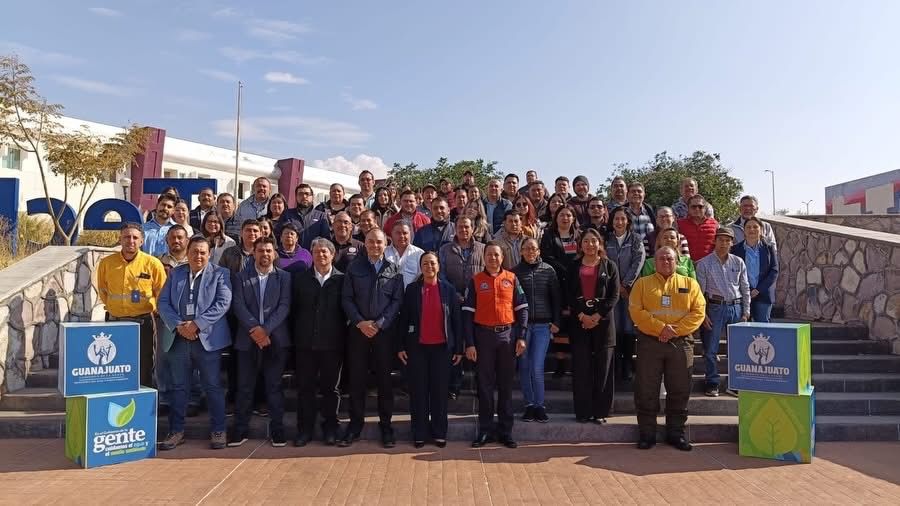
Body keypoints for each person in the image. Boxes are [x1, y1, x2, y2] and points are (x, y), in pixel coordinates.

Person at [157, 236, 233, 451]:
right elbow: (163, 302)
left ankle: (218, 430)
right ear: (187, 253)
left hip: (207, 340)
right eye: (194, 252)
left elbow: (223, 303)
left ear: (209, 254)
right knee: (179, 387)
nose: (198, 256)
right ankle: (176, 431)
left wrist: (197, 325)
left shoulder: (221, 274)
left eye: (202, 252)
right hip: (179, 340)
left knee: (213, 386)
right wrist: (178, 325)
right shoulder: (176, 274)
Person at [629, 246, 705, 451]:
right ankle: (647, 435)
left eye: (669, 258)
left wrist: (674, 331)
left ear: (677, 261)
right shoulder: (642, 284)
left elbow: (698, 312)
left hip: (680, 343)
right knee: (646, 389)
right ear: (654, 263)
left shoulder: (690, 284)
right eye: (661, 258)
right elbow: (636, 311)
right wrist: (660, 328)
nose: (665, 262)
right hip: (649, 343)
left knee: (680, 390)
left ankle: (676, 434)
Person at [340, 229, 405, 448]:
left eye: (379, 242)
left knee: (385, 382)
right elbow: (346, 298)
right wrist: (360, 322)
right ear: (365, 244)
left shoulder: (394, 270)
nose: (375, 246)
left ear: (385, 244)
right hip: (358, 332)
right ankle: (354, 426)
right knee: (357, 380)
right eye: (371, 242)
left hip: (383, 333)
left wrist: (380, 323)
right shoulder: (354, 267)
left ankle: (386, 426)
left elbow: (397, 301)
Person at [227, 237, 292, 448]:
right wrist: (255, 329)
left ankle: (277, 430)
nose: (265, 254)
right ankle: (240, 429)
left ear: (274, 253)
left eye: (268, 251)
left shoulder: (284, 277)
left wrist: (266, 330)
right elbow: (238, 305)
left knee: (274, 386)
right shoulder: (240, 277)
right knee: (245, 387)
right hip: (247, 339)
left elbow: (284, 306)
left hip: (275, 339)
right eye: (261, 251)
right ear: (253, 253)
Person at [463, 242, 529, 449]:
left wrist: (521, 336)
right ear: (484, 257)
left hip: (507, 337)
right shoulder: (475, 281)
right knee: (484, 386)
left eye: (496, 255)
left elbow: (522, 309)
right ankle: (485, 430)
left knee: (506, 386)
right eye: (489, 254)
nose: (493, 258)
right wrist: (470, 343)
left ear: (502, 257)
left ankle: (505, 432)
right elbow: (467, 315)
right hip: (483, 337)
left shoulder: (512, 278)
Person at [398, 252, 463, 448]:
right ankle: (419, 433)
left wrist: (458, 348)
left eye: (432, 263)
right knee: (418, 392)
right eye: (425, 263)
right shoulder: (412, 290)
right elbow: (404, 318)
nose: (429, 267)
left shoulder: (448, 289)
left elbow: (456, 320)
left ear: (438, 266)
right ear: (421, 267)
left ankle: (439, 432)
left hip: (442, 349)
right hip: (417, 348)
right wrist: (400, 345)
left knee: (439, 393)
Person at [292, 238, 347, 446]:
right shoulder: (301, 279)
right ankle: (305, 430)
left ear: (333, 255)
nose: (321, 255)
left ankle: (330, 428)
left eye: (325, 252)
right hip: (305, 344)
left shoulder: (341, 280)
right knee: (305, 388)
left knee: (331, 389)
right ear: (311, 255)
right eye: (316, 252)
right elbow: (293, 311)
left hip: (332, 345)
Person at [97, 223, 167, 388]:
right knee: (115, 364)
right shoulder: (106, 263)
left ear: (142, 241)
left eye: (135, 237)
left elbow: (162, 293)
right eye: (126, 237)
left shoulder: (153, 263)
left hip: (143, 323)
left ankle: (143, 398)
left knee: (144, 365)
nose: (131, 241)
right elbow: (103, 290)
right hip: (115, 322)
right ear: (120, 239)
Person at [566, 229, 620, 424]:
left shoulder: (610, 265)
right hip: (579, 323)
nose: (590, 245)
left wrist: (597, 315)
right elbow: (568, 293)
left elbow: (614, 295)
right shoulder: (573, 266)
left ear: (600, 244)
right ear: (581, 245)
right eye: (586, 241)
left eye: (593, 241)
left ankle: (601, 412)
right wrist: (582, 315)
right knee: (582, 368)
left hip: (603, 323)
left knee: (603, 368)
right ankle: (583, 412)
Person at [696, 227, 751, 397]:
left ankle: (734, 382)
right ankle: (712, 382)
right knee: (711, 349)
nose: (724, 243)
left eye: (728, 240)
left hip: (736, 307)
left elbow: (745, 288)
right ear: (714, 241)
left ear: (732, 243)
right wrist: (703, 314)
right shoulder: (704, 263)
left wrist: (746, 311)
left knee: (736, 348)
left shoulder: (738, 262)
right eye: (721, 240)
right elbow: (700, 293)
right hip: (715, 307)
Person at [513, 238, 561, 423]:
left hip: (542, 326)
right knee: (524, 366)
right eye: (526, 248)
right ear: (521, 251)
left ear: (539, 251)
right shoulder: (515, 273)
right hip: (522, 327)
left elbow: (556, 298)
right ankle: (529, 405)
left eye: (533, 248)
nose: (530, 251)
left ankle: (540, 405)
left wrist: (556, 321)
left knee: (537, 366)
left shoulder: (548, 270)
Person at [605, 207, 646, 383]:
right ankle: (616, 364)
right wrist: (616, 285)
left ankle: (628, 364)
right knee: (615, 327)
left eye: (623, 219)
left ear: (628, 221)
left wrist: (626, 284)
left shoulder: (635, 239)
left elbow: (638, 261)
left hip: (630, 290)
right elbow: (604, 262)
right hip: (611, 290)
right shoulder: (607, 239)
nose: (619, 222)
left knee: (629, 327)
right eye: (616, 219)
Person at [731, 217, 778, 323]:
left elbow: (774, 270)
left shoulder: (769, 248)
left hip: (763, 295)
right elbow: (733, 272)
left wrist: (758, 289)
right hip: (743, 294)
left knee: (762, 328)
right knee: (743, 327)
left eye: (755, 227)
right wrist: (749, 289)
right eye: (748, 227)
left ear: (761, 230)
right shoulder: (735, 250)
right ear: (744, 230)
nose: (752, 229)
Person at [279, 184, 331, 250]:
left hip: (313, 254)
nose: (304, 196)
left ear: (312, 197)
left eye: (307, 194)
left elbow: (326, 240)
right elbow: (278, 235)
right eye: (300, 194)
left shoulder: (321, 216)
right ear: (296, 197)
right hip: (291, 254)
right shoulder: (287, 214)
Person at [540, 205, 580, 279]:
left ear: (573, 219)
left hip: (577, 275)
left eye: (568, 215)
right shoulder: (548, 235)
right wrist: (564, 269)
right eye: (561, 215)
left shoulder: (580, 236)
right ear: (556, 218)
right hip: (556, 276)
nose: (565, 218)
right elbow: (546, 257)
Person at [678, 195, 719, 262]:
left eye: (700, 207)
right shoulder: (679, 224)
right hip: (687, 265)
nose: (697, 209)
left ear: (705, 208)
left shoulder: (715, 224)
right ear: (688, 208)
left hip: (709, 264)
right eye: (693, 207)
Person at [385, 221, 425, 287]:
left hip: (410, 292)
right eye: (398, 233)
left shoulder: (419, 254)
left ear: (410, 234)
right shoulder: (384, 252)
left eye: (405, 233)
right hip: (387, 292)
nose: (402, 236)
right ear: (392, 234)